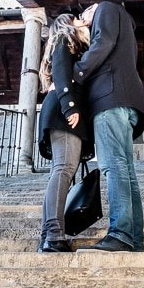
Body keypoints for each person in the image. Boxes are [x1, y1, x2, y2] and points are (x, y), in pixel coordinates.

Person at [72, 1, 144, 252]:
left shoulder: (105, 9)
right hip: (124, 101)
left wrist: (76, 72)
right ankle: (134, 238)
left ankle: (121, 233)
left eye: (82, 15)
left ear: (93, 7)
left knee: (112, 165)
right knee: (126, 171)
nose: (83, 20)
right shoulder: (123, 21)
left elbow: (102, 42)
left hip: (109, 100)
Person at [36, 13, 92, 253]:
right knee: (64, 170)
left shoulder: (71, 43)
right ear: (66, 24)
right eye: (75, 18)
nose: (81, 19)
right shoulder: (63, 39)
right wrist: (70, 106)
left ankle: (47, 236)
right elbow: (60, 72)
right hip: (63, 111)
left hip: (61, 110)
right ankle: (54, 236)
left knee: (60, 171)